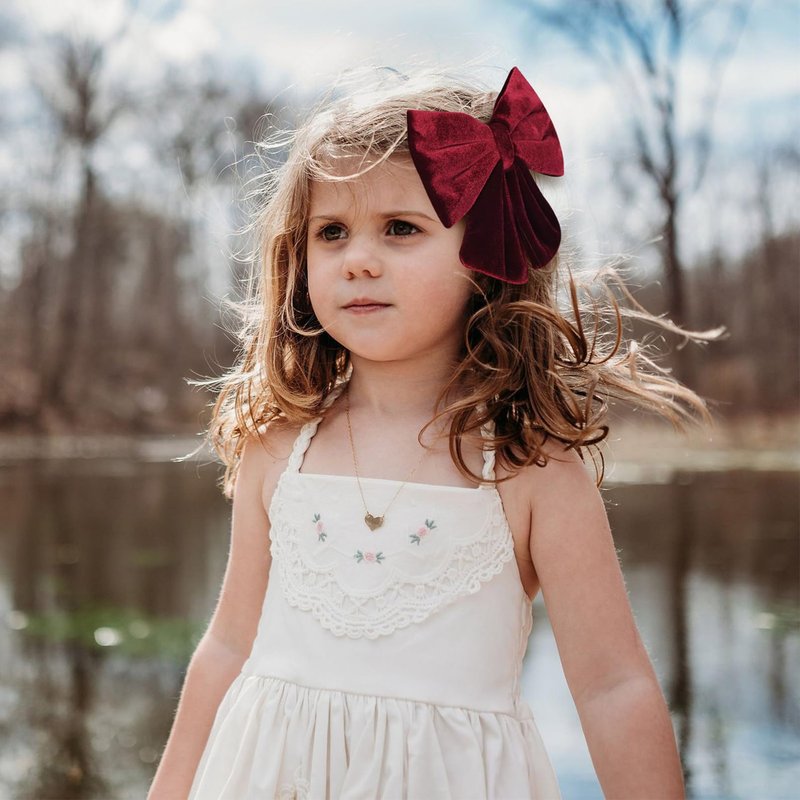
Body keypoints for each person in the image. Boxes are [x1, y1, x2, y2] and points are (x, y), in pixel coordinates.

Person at [148, 63, 720, 799]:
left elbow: (614, 686)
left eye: (401, 229)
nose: (358, 260)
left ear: (485, 255)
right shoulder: (278, 447)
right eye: (331, 232)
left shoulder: (530, 468)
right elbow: (227, 648)